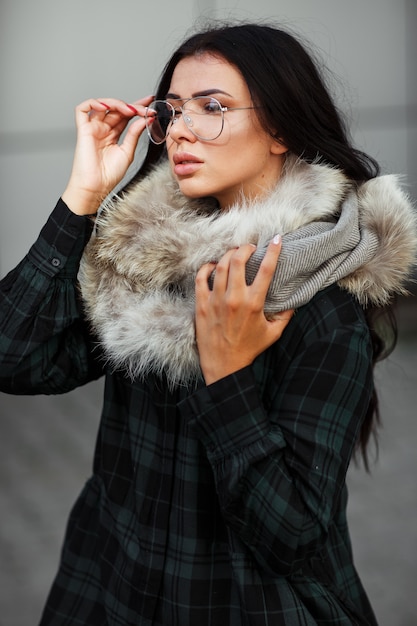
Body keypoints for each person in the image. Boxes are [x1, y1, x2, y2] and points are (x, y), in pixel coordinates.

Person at [0, 22, 416, 626]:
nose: (181, 132)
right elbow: (13, 357)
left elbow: (294, 536)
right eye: (172, 111)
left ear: (278, 128)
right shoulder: (144, 258)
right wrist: (82, 198)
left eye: (213, 107)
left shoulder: (323, 307)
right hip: (109, 589)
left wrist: (226, 377)